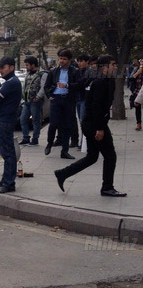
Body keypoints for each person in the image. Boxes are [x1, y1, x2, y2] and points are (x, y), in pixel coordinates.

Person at [54, 55, 126, 197]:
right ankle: (107, 188)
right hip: (94, 124)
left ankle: (62, 173)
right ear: (104, 67)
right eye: (113, 64)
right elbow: (96, 107)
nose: (115, 67)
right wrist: (99, 128)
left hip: (96, 123)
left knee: (92, 157)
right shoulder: (99, 83)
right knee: (110, 156)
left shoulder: (109, 81)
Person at [0, 56, 22, 194]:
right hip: (3, 119)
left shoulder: (11, 83)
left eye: (3, 67)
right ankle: (5, 180)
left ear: (11, 67)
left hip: (5, 120)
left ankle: (9, 183)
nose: (0, 70)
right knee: (5, 152)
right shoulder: (9, 82)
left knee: (8, 153)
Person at [44, 49, 80, 158]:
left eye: (64, 59)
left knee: (67, 125)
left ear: (69, 60)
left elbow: (79, 85)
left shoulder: (74, 71)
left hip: (68, 99)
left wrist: (67, 86)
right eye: (60, 58)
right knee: (53, 124)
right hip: (56, 99)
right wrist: (49, 96)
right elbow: (46, 86)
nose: (62, 61)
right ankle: (49, 143)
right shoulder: (53, 71)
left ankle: (64, 150)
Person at [19, 56, 47, 146]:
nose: (26, 67)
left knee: (35, 120)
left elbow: (44, 87)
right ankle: (25, 137)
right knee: (23, 119)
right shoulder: (28, 74)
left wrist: (38, 97)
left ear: (33, 65)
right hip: (27, 101)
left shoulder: (42, 74)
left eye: (27, 65)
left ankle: (35, 139)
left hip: (36, 101)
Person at [129, 58, 142, 131]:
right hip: (137, 91)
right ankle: (138, 123)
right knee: (137, 107)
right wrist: (137, 73)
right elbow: (130, 79)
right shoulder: (136, 69)